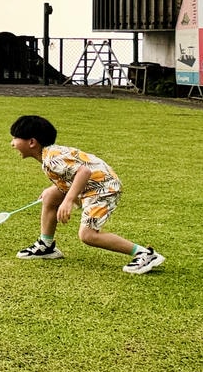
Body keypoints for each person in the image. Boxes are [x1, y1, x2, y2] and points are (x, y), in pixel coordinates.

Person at [9, 114, 164, 275]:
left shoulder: (51, 159)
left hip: (103, 189)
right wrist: (55, 190)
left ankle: (145, 254)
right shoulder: (49, 155)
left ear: (32, 142)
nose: (12, 143)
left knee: (87, 235)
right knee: (50, 195)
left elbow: (84, 171)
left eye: (15, 138)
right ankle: (45, 246)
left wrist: (68, 200)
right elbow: (71, 174)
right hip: (91, 185)